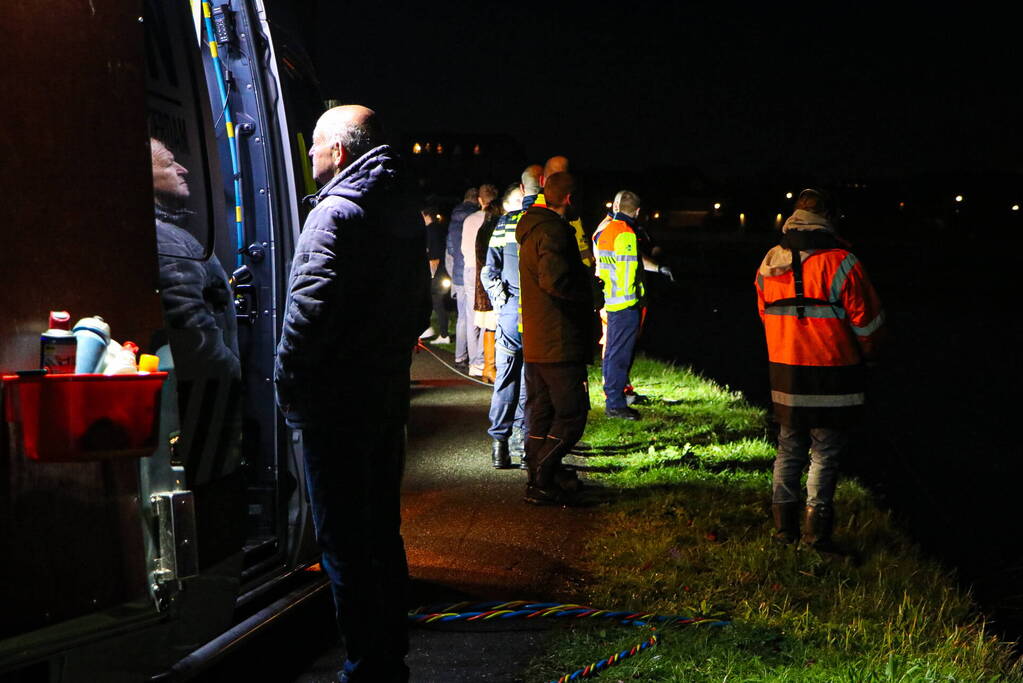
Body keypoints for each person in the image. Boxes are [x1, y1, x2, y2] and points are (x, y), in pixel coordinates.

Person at [274, 105, 430, 682]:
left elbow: (306, 314)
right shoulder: (399, 211)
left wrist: (289, 384)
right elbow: (418, 308)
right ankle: (390, 660)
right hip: (384, 397)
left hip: (334, 403)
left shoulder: (334, 214)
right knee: (381, 534)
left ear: (338, 151)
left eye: (314, 145)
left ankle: (367, 669)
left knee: (341, 542)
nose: (309, 155)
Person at [755, 188, 885, 552]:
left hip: (785, 372)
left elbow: (764, 314)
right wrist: (871, 357)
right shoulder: (843, 262)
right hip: (833, 373)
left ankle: (784, 531)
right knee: (824, 452)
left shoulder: (769, 261)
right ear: (829, 217)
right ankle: (817, 535)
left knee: (788, 448)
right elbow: (869, 325)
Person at [516, 172, 595, 504]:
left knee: (543, 412)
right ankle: (543, 477)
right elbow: (554, 281)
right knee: (573, 414)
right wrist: (589, 292)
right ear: (570, 199)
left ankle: (540, 476)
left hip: (538, 338)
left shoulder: (532, 228)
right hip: (559, 340)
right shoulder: (554, 231)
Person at [481, 167, 540, 469]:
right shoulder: (549, 223)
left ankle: (499, 446)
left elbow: (488, 270)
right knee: (530, 382)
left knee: (505, 379)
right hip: (536, 318)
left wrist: (501, 299)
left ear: (522, 187)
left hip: (509, 316)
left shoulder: (505, 223)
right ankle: (525, 444)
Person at [594, 190, 644, 420]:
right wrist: (634, 299)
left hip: (611, 299)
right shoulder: (626, 234)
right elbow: (629, 271)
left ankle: (612, 398)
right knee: (619, 355)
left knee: (612, 352)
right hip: (626, 303)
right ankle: (615, 404)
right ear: (637, 212)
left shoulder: (605, 231)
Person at [460, 184, 499, 378]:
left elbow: (462, 248)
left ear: (480, 200)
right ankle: (485, 361)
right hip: (487, 268)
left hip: (469, 268)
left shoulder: (469, 220)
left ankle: (474, 362)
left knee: (471, 316)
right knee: (488, 315)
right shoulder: (495, 220)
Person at [470, 184, 505, 383]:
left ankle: (489, 368)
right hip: (490, 288)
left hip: (483, 288)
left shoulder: (483, 229)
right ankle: (490, 368)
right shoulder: (490, 232)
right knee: (492, 327)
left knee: (490, 328)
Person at [447, 188, 479, 370]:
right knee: (475, 317)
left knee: (462, 317)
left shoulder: (453, 220)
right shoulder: (476, 218)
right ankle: (476, 359)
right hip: (472, 269)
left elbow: (450, 249)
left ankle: (460, 357)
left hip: (458, 271)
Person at [421, 206, 451, 343]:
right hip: (441, 272)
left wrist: (430, 275)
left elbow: (434, 256)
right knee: (437, 304)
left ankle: (439, 333)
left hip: (435, 274)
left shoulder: (430, 230)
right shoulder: (439, 229)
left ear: (427, 216)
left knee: (435, 303)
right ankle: (441, 333)